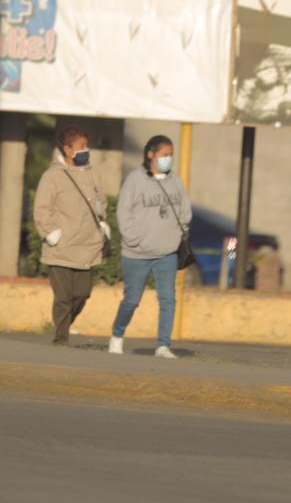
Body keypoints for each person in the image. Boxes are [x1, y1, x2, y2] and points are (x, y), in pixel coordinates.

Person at [110, 134, 190, 359]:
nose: (168, 159)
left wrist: (179, 232)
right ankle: (117, 334)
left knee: (168, 299)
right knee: (132, 300)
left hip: (167, 252)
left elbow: (185, 209)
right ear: (150, 154)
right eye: (165, 155)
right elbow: (123, 212)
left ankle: (163, 345)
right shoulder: (135, 180)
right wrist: (134, 239)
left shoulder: (174, 180)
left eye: (171, 155)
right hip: (138, 253)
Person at [33, 126, 109, 346]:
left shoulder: (93, 173)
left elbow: (101, 202)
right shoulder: (52, 176)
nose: (86, 150)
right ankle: (61, 337)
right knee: (64, 297)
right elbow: (41, 209)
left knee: (82, 294)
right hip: (61, 247)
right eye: (81, 147)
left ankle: (63, 324)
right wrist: (50, 233)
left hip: (88, 245)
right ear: (67, 149)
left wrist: (102, 222)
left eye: (86, 146)